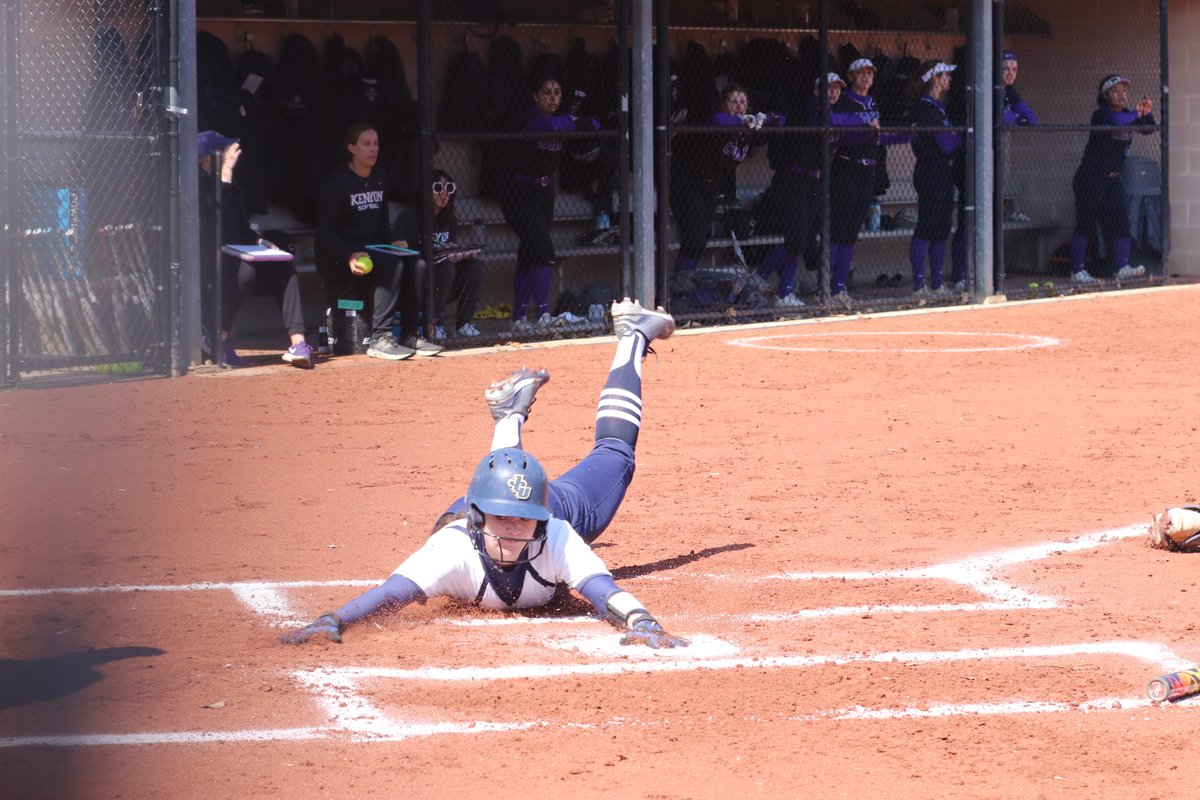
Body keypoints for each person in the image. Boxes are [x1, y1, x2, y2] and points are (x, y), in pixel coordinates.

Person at [280, 298, 688, 649]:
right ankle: (517, 411)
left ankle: (629, 340)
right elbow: (390, 594)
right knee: (505, 483)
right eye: (501, 519)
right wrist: (335, 620)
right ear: (476, 521)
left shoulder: (557, 531)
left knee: (616, 455)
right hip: (477, 505)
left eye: (524, 521)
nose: (512, 529)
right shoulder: (452, 552)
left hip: (545, 499)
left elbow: (606, 593)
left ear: (542, 522)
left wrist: (643, 622)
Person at [315, 121, 440, 361]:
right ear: (351, 147)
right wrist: (348, 255)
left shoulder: (380, 178)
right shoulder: (336, 182)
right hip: (344, 254)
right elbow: (326, 232)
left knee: (417, 264)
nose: (373, 149)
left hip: (373, 248)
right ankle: (380, 338)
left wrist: (396, 240)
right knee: (393, 265)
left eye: (376, 144)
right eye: (366, 144)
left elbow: (382, 226)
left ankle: (410, 334)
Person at [197, 131, 312, 369]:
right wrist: (225, 174)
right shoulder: (197, 185)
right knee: (246, 271)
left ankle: (298, 343)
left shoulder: (231, 188)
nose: (233, 154)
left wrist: (263, 243)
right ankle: (221, 341)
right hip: (214, 262)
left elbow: (241, 227)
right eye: (226, 151)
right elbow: (216, 222)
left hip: (239, 255)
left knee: (285, 269)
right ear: (209, 157)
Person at [502, 76, 600, 333]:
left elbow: (593, 125)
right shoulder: (532, 118)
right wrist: (573, 121)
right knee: (544, 249)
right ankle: (544, 314)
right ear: (536, 95)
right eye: (547, 92)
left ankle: (518, 318)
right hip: (518, 192)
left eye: (557, 92)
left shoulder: (560, 120)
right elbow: (550, 126)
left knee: (529, 252)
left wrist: (579, 122)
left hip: (544, 193)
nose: (553, 97)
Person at [670, 84, 782, 280]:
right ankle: (677, 284)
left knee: (701, 237)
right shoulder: (718, 121)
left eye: (743, 102)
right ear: (724, 104)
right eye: (733, 102)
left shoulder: (747, 129)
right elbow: (716, 119)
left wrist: (765, 118)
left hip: (712, 185)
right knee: (695, 235)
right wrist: (741, 120)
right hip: (687, 182)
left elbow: (783, 121)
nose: (739, 106)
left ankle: (682, 284)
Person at [828, 58, 913, 307]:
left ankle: (840, 288)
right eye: (860, 73)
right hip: (846, 168)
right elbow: (841, 137)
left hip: (868, 170)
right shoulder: (844, 101)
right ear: (851, 76)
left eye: (869, 73)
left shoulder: (872, 101)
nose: (866, 78)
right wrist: (866, 131)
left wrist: (903, 136)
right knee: (840, 229)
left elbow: (877, 138)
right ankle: (830, 288)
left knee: (852, 231)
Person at [757, 74, 848, 308]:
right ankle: (756, 281)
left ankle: (784, 293)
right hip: (794, 180)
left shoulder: (831, 115)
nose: (835, 93)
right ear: (818, 90)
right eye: (829, 88)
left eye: (838, 88)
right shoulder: (810, 109)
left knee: (800, 240)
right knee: (796, 238)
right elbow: (787, 119)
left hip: (816, 184)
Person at [1068, 75, 1155, 285]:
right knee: (1086, 223)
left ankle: (1122, 267)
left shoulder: (1127, 114)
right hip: (1091, 177)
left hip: (1113, 180)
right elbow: (1118, 122)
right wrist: (1136, 113)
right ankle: (1076, 271)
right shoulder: (1101, 115)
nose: (1121, 95)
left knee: (1121, 222)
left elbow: (1148, 129)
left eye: (1123, 90)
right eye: (1115, 91)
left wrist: (1147, 113)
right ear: (1105, 95)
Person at [391, 169, 483, 340]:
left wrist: (456, 253)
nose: (444, 193)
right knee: (445, 267)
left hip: (444, 281)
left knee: (474, 265)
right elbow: (401, 253)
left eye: (448, 187)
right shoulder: (409, 217)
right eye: (437, 187)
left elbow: (448, 254)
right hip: (419, 282)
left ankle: (463, 323)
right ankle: (434, 323)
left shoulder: (449, 220)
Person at [907, 61, 963, 298]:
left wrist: (954, 137)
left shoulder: (937, 107)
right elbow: (947, 145)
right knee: (927, 226)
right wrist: (958, 136)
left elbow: (949, 142)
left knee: (941, 228)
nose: (948, 79)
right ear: (934, 79)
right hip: (931, 171)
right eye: (945, 75)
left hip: (942, 172)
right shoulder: (925, 108)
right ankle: (920, 287)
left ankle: (938, 284)